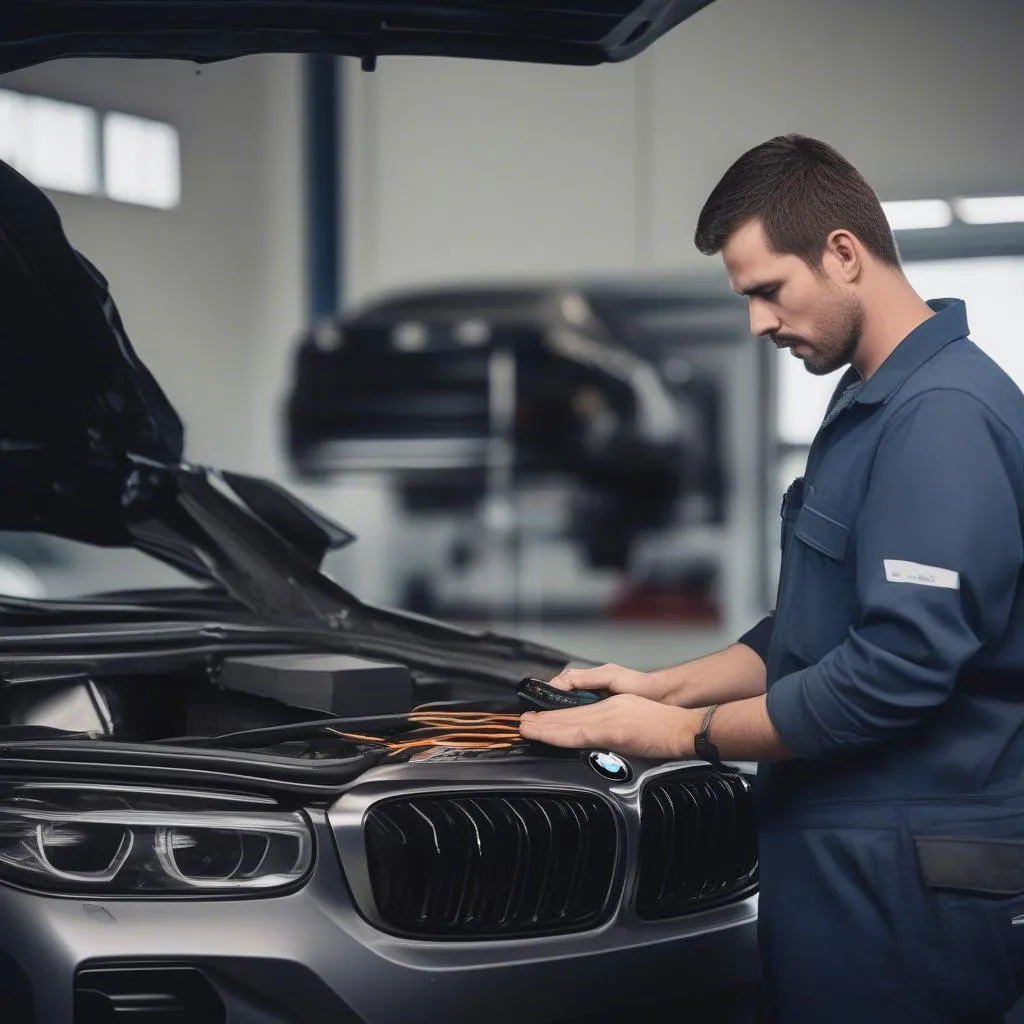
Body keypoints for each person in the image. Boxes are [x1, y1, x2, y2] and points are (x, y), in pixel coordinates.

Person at [518, 134, 1024, 1023]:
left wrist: (680, 737)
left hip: (910, 881)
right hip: (846, 865)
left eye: (766, 291)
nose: (757, 323)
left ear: (842, 253)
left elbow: (892, 671)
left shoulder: (943, 416)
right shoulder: (870, 403)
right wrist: (657, 690)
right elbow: (807, 630)